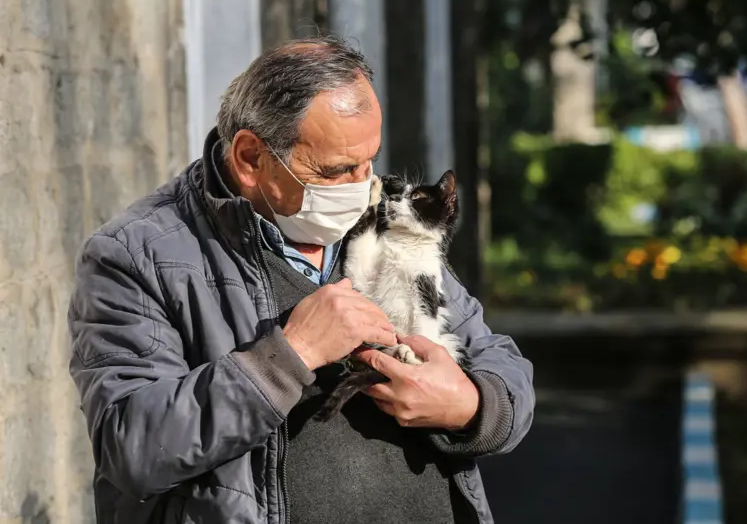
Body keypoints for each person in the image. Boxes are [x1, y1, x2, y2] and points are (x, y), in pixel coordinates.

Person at [68, 35, 535, 523]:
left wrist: (472, 406)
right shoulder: (136, 255)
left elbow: (501, 360)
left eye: (368, 161)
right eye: (336, 170)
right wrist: (290, 356)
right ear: (250, 158)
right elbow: (131, 447)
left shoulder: (385, 221)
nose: (364, 185)